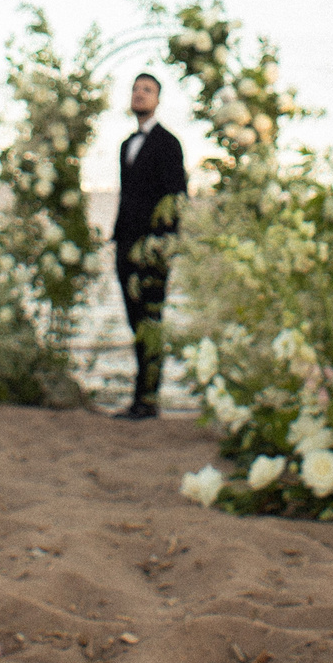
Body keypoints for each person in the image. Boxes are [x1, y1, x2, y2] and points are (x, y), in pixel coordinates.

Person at [111, 72, 189, 420]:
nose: (139, 94)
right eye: (135, 89)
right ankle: (140, 397)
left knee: (150, 319)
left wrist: (162, 243)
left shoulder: (168, 143)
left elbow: (176, 197)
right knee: (134, 319)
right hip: (125, 243)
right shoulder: (127, 144)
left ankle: (148, 399)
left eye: (147, 90)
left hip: (153, 247)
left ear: (158, 100)